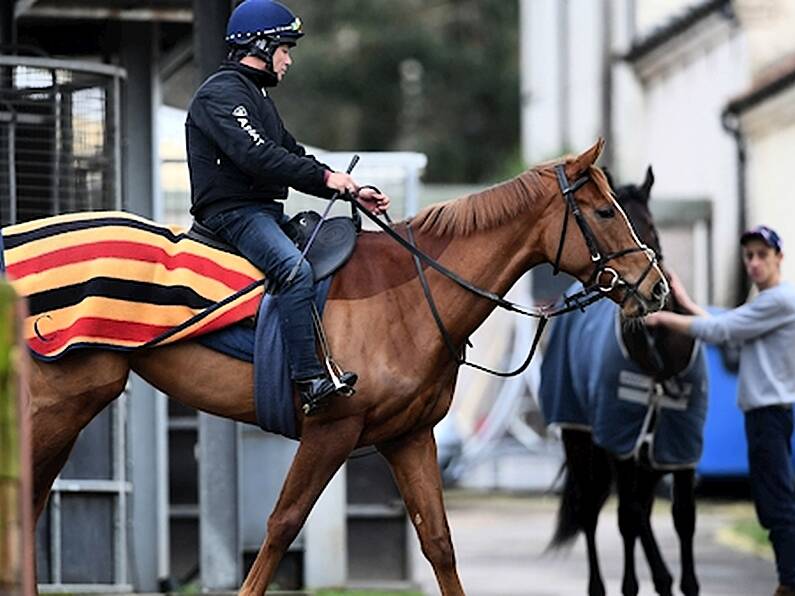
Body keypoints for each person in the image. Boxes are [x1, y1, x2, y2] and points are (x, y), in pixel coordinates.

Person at [185, 0, 390, 414]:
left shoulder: (254, 95)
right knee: (294, 272)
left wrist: (347, 188)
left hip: (260, 211)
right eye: (284, 48)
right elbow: (258, 157)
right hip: (233, 216)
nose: (288, 60)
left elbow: (291, 152)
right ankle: (310, 382)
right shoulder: (220, 94)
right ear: (260, 46)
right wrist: (327, 179)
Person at [646, 225, 795, 596]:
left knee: (777, 504)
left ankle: (789, 582)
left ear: (779, 258)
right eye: (749, 256)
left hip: (769, 414)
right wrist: (683, 298)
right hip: (769, 413)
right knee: (774, 500)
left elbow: (721, 330)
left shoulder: (779, 301)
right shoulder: (767, 305)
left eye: (762, 255)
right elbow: (726, 325)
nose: (754, 263)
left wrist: (663, 317)